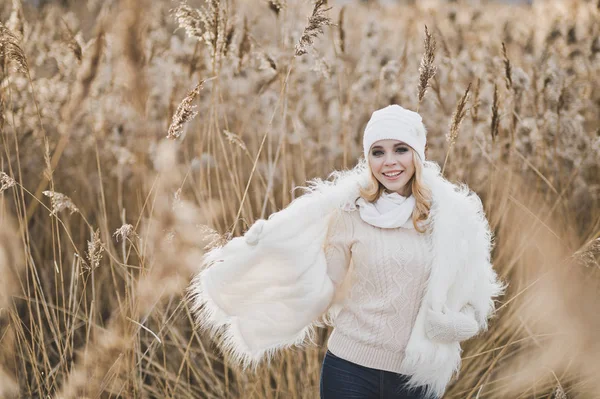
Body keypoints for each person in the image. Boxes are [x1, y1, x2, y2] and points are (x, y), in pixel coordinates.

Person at [188, 105, 506, 399]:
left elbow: (477, 303)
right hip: (349, 369)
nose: (389, 162)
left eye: (401, 149)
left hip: (415, 379)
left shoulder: (452, 220)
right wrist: (272, 247)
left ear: (418, 154)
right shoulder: (351, 213)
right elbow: (325, 286)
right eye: (377, 152)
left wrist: (451, 327)